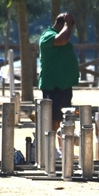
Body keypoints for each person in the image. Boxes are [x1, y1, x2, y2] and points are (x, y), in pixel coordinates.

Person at [38, 12, 80, 156]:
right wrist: (68, 25)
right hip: (53, 85)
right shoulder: (48, 35)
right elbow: (61, 40)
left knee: (63, 119)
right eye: (69, 27)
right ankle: (51, 149)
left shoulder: (63, 36)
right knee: (53, 119)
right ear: (63, 24)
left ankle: (62, 149)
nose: (71, 31)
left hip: (64, 85)